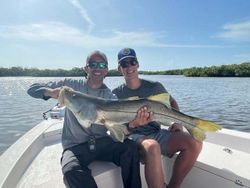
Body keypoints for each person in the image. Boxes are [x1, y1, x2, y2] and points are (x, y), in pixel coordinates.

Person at [27, 50, 142, 188]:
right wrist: (50, 92)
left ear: (106, 70)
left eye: (101, 65)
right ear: (86, 68)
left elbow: (118, 133)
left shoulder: (110, 97)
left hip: (102, 142)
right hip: (75, 146)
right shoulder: (70, 86)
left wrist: (133, 125)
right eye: (93, 64)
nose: (97, 68)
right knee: (71, 170)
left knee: (130, 149)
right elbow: (32, 89)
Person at [112, 48, 203, 188]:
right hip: (133, 136)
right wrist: (134, 124)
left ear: (137, 64)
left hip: (156, 132)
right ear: (119, 69)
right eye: (124, 64)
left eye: (132, 62)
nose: (129, 67)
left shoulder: (155, 87)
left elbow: (172, 102)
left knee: (195, 142)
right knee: (153, 146)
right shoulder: (115, 94)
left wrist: (178, 123)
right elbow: (115, 127)